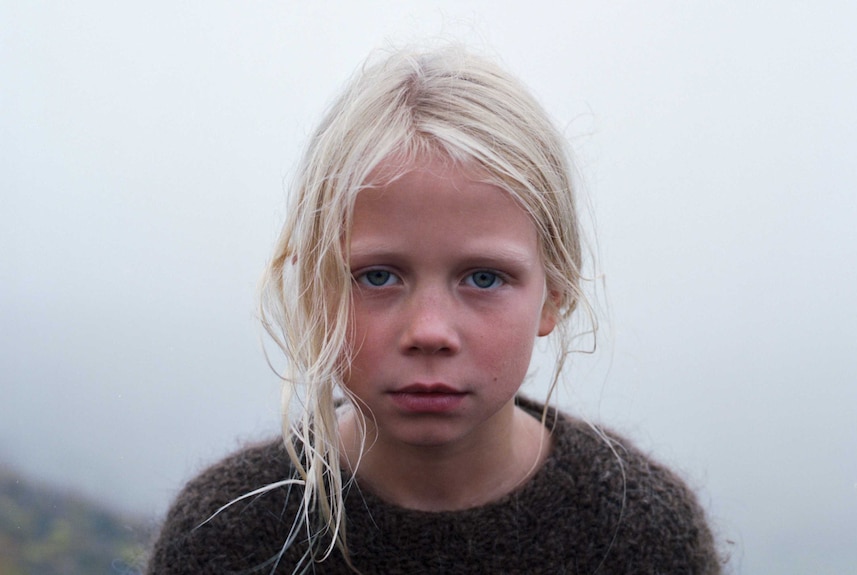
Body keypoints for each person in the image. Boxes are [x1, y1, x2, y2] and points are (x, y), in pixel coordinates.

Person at [147, 45, 723, 574]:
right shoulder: (227, 536)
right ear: (314, 291)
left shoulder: (640, 535)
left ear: (556, 292)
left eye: (483, 278)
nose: (429, 333)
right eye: (377, 276)